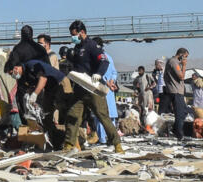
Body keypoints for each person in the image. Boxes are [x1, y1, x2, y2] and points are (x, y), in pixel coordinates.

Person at [60, 20, 122, 153]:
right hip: (80, 88)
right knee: (73, 116)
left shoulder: (92, 46)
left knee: (102, 116)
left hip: (93, 87)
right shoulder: (77, 48)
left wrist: (99, 74)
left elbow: (104, 61)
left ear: (82, 32)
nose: (73, 37)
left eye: (74, 35)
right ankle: (69, 145)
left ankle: (116, 143)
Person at [13, 58, 66, 145]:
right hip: (49, 89)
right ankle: (55, 141)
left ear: (16, 68)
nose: (13, 75)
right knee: (46, 116)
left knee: (65, 111)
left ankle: (71, 140)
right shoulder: (25, 74)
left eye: (12, 73)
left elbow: (43, 79)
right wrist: (30, 95)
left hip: (59, 83)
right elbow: (33, 85)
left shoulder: (31, 65)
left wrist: (35, 94)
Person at [164, 47, 188, 142]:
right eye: (185, 57)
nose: (185, 59)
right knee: (180, 114)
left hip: (177, 91)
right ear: (181, 55)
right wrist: (184, 65)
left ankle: (175, 129)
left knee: (184, 111)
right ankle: (179, 134)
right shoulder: (173, 62)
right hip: (176, 91)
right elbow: (181, 76)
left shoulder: (175, 62)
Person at [133, 65, 155, 129]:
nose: (140, 72)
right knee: (141, 110)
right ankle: (143, 125)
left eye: (141, 70)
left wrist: (149, 87)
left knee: (149, 109)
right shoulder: (137, 78)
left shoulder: (147, 76)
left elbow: (154, 83)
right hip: (141, 95)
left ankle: (150, 125)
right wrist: (136, 91)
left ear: (143, 70)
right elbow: (134, 85)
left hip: (148, 94)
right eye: (139, 71)